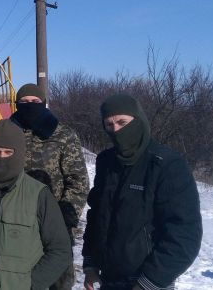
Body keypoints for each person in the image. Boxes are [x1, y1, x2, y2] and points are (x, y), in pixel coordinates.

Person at [83, 94, 202, 290]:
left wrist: (149, 282)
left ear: (138, 119)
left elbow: (184, 234)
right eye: (109, 125)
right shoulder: (106, 161)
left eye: (122, 122)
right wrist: (90, 263)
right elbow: (97, 215)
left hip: (148, 280)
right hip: (108, 277)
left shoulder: (167, 165)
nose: (116, 130)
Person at [0, 119, 72, 290]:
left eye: (8, 152)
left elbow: (60, 250)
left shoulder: (39, 194)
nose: (1, 158)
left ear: (20, 153)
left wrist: (31, 284)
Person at [10, 83, 89, 290]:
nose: (30, 105)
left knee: (59, 280)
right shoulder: (8, 132)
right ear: (16, 104)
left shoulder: (62, 134)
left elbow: (78, 180)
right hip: (17, 222)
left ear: (43, 103)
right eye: (24, 102)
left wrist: (63, 218)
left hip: (56, 223)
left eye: (35, 102)